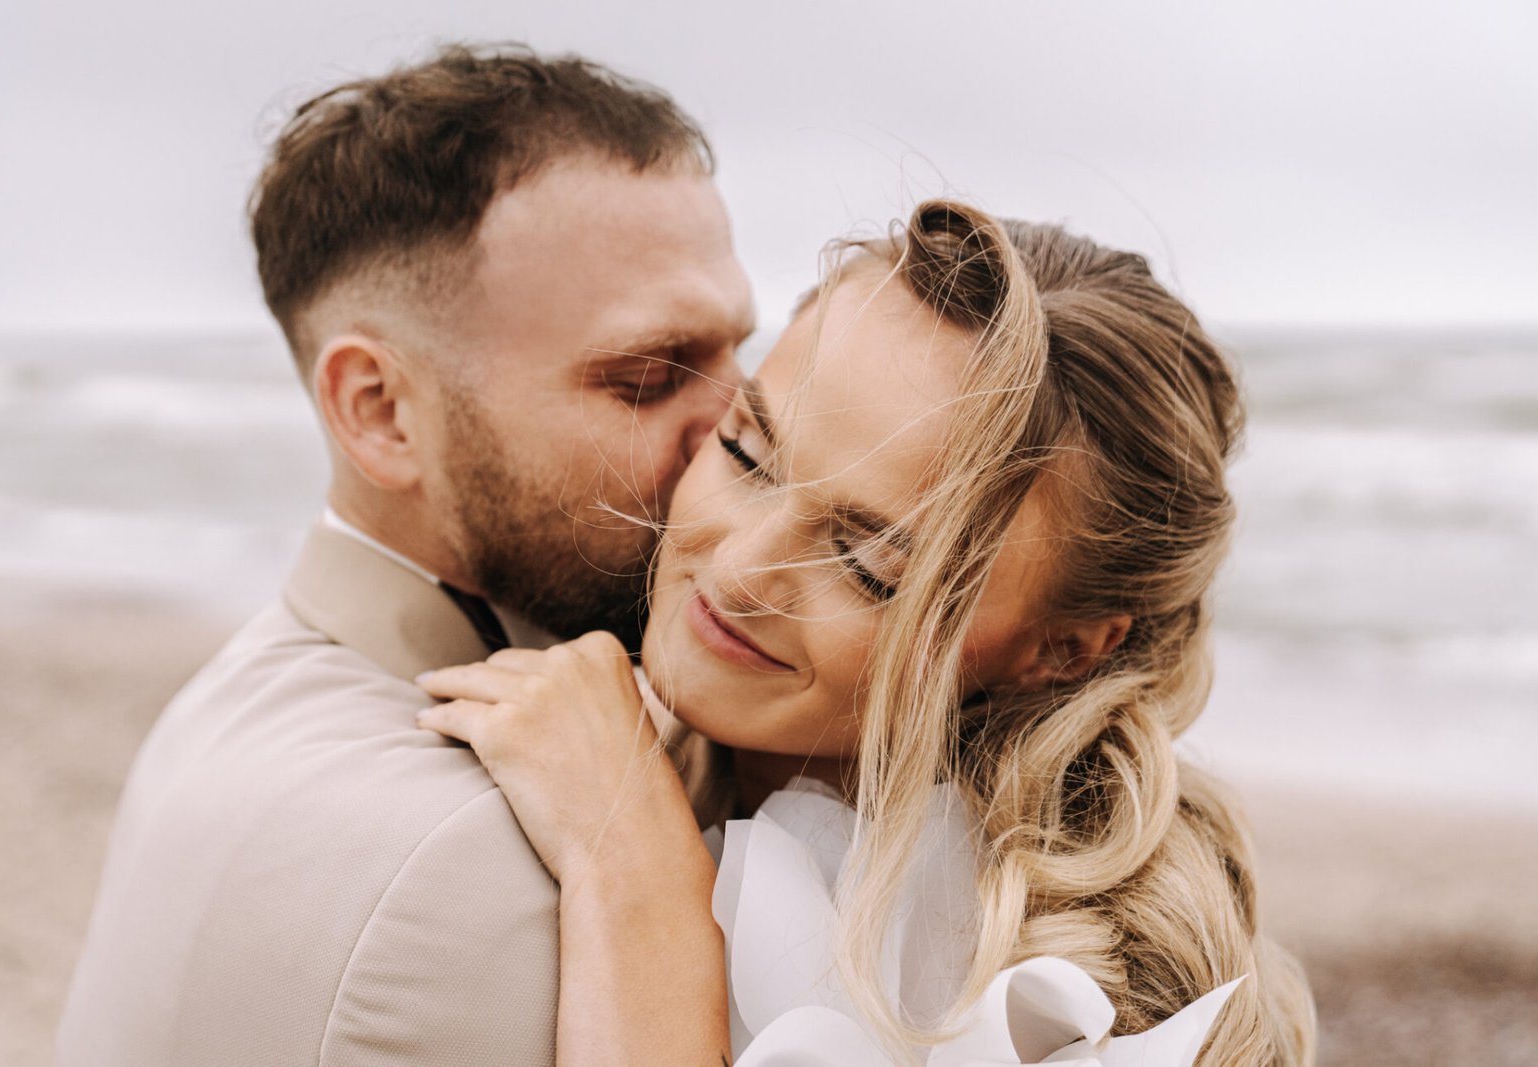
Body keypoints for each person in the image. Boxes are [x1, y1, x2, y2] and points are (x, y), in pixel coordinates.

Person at [417, 200, 1318, 1064]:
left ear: (1060, 651)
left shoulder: (1039, 1010)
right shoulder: (612, 737)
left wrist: (635, 871)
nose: (739, 572)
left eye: (869, 564)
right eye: (745, 453)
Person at [56, 45, 753, 1066]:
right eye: (649, 377)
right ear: (380, 410)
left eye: (743, 360)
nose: (738, 441)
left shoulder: (229, 696)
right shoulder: (482, 860)